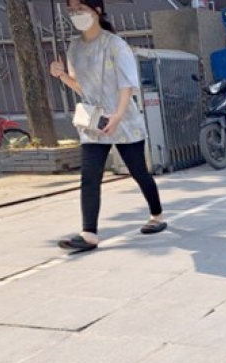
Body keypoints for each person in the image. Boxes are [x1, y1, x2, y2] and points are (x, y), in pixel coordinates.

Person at [50, 0, 165, 252]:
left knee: (139, 172)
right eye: (71, 10)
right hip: (94, 122)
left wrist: (118, 115)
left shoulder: (115, 44)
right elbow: (82, 88)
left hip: (124, 120)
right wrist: (62, 76)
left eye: (80, 8)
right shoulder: (74, 48)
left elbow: (127, 85)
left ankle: (157, 215)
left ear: (97, 11)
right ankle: (89, 233)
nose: (75, 14)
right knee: (90, 177)